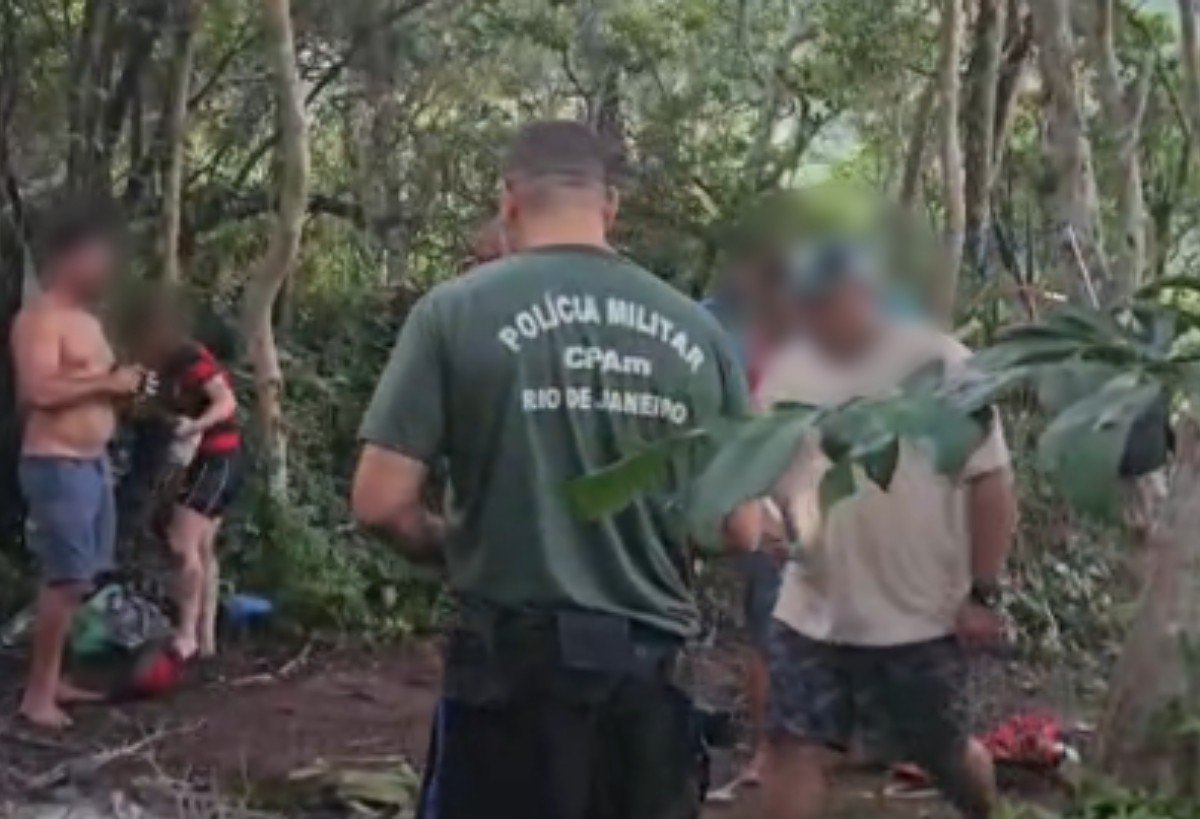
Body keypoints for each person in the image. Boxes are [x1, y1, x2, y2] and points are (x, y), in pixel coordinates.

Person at [352, 120, 758, 819]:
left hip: (509, 674)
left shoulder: (454, 312)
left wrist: (460, 540)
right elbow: (740, 526)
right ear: (610, 207)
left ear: (510, 201)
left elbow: (380, 502)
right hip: (646, 677)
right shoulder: (698, 332)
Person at [757, 241, 1017, 819]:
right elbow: (763, 469)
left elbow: (992, 485)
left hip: (919, 614)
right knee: (794, 747)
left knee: (944, 753)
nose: (819, 315)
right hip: (813, 609)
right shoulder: (789, 373)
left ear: (868, 294)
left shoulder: (945, 368)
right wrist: (771, 520)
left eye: (832, 300)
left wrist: (982, 591)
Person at [12, 199, 147, 728]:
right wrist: (108, 382)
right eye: (97, 256)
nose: (105, 268)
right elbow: (39, 390)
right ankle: (36, 696)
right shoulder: (39, 318)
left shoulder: (88, 322)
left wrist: (130, 388)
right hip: (56, 464)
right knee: (64, 579)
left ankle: (57, 679)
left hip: (93, 465)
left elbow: (102, 386)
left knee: (82, 578)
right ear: (69, 258)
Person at [701, 248, 791, 799]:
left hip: (817, 490)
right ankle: (767, 751)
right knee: (769, 624)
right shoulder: (708, 321)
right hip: (760, 494)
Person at [128, 290, 241, 662]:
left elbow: (225, 401)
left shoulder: (189, 357)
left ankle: (187, 634)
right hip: (198, 460)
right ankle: (205, 640)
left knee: (182, 542)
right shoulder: (156, 368)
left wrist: (194, 428)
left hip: (218, 458)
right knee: (201, 547)